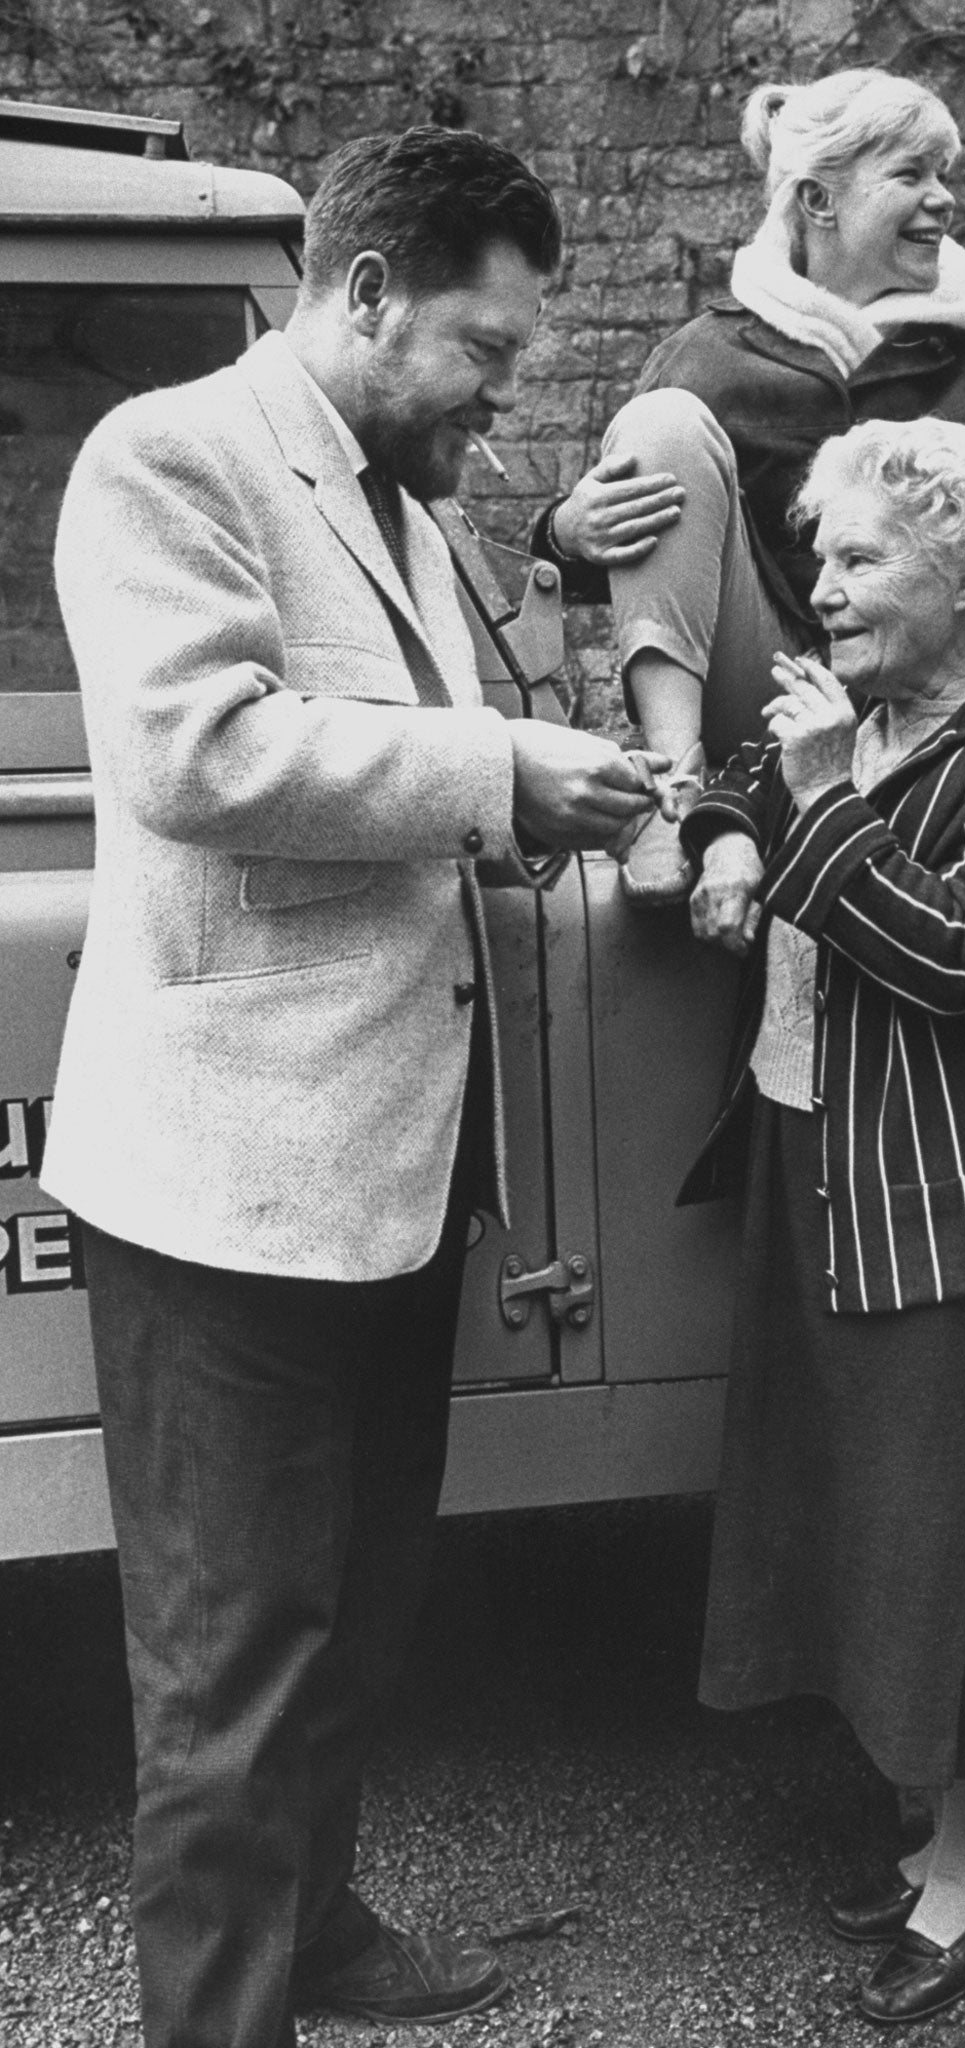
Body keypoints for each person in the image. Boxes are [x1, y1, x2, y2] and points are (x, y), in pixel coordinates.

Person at [42, 127, 665, 2048]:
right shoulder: (168, 455)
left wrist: (535, 788)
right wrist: (495, 777)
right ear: (367, 292)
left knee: (353, 1607)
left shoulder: (405, 494)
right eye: (483, 346)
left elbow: (398, 745)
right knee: (228, 1663)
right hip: (229, 1187)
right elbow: (196, 751)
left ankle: (314, 1927)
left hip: (381, 1165)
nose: (505, 386)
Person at [537, 62, 965, 1305]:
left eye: (948, 171)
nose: (948, 200)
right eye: (916, 174)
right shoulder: (712, 351)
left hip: (918, 707)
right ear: (819, 198)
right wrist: (566, 528)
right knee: (666, 427)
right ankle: (681, 786)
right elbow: (585, 553)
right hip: (761, 690)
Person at [679, 415, 965, 2025]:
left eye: (862, 560)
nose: (825, 589)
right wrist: (738, 831)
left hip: (949, 1198)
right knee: (852, 1518)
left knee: (945, 1541)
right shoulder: (853, 707)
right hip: (814, 1161)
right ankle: (930, 1815)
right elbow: (742, 776)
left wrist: (809, 809)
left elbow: (952, 957)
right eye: (825, 556)